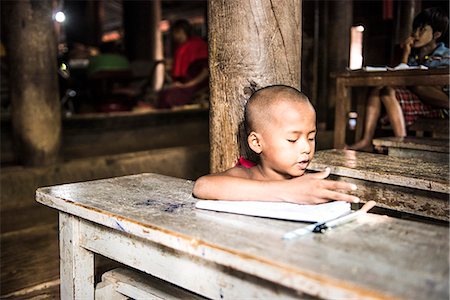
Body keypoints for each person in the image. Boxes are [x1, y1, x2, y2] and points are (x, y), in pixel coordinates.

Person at [193, 85, 360, 204]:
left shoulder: (308, 183)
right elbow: (202, 186)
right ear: (257, 142)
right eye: (292, 140)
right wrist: (287, 191)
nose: (306, 148)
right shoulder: (246, 176)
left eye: (311, 138)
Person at [348, 7, 449, 151]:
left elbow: (437, 90)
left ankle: (403, 142)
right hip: (416, 99)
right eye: (415, 29)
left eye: (422, 30)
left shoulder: (445, 56)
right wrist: (405, 54)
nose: (415, 34)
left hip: (439, 106)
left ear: (436, 34)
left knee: (388, 91)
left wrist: (413, 84)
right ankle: (366, 140)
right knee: (377, 89)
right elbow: (400, 75)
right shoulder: (413, 56)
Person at [157, 19, 209, 108]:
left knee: (170, 98)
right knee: (162, 95)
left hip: (197, 84)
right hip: (185, 84)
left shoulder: (198, 45)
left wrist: (187, 85)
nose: (174, 36)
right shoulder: (182, 47)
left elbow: (206, 71)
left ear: (181, 31)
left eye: (175, 33)